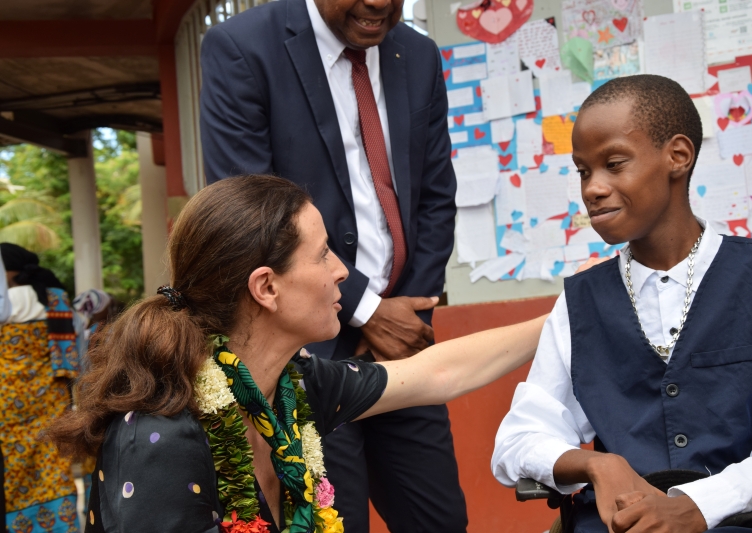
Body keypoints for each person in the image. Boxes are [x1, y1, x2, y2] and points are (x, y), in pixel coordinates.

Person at [47, 175, 546, 533]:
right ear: (266, 287)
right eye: (323, 253)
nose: (342, 272)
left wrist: (567, 319)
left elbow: (436, 373)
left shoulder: (292, 385)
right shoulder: (162, 440)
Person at [492, 74, 752, 533]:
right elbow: (517, 440)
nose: (592, 188)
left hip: (745, 521)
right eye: (583, 171)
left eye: (614, 164)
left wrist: (696, 505)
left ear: (677, 156)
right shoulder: (580, 301)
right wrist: (597, 465)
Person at [199, 0, 461, 529]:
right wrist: (367, 311)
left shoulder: (419, 53)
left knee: (440, 520)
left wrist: (407, 316)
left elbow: (436, 196)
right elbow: (253, 215)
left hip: (401, 345)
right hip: (302, 352)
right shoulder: (241, 49)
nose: (379, 4)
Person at [0, 243, 80, 533]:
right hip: (49, 395)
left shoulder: (5, 304)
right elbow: (72, 354)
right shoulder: (55, 297)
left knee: (13, 467)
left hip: (7, 399)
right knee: (54, 462)